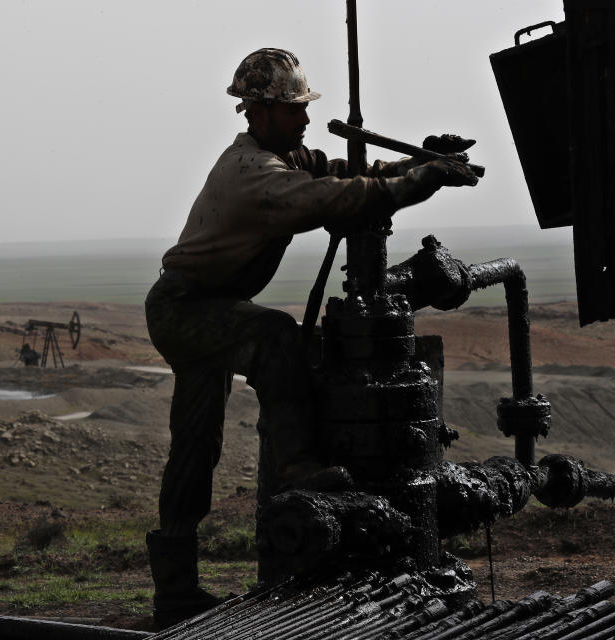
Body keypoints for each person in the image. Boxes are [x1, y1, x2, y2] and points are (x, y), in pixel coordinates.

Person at [143, 48, 478, 627]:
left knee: (196, 448)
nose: (303, 118)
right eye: (294, 108)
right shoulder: (252, 174)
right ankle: (296, 465)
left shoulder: (288, 155)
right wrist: (421, 181)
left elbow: (352, 178)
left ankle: (176, 594)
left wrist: (423, 163)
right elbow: (332, 199)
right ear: (258, 110)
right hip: (185, 310)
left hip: (208, 306)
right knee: (275, 336)